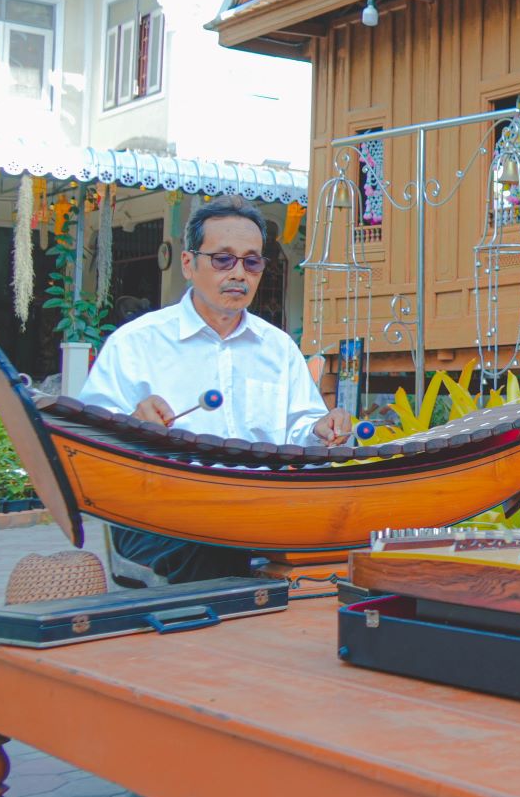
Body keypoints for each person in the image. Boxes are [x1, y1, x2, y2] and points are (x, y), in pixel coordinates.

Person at [80, 196, 356, 585]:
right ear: (188, 263)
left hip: (257, 508)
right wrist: (131, 424)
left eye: (251, 262)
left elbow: (299, 428)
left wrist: (319, 429)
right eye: (223, 259)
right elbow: (89, 442)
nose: (239, 273)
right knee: (217, 544)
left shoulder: (277, 349)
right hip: (157, 514)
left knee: (349, 536)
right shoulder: (136, 343)